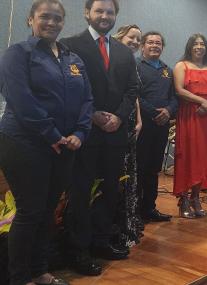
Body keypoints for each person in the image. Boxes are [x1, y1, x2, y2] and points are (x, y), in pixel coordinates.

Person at [0, 1, 93, 284]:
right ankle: (19, 278)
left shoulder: (73, 59)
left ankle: (40, 270)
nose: (51, 22)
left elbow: (87, 99)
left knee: (49, 209)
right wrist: (52, 135)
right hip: (25, 144)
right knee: (30, 211)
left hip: (65, 146)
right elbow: (21, 99)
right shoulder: (17, 54)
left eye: (57, 18)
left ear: (64, 22)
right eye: (44, 17)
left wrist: (80, 132)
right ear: (30, 20)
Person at [61, 0, 137, 274]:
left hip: (115, 133)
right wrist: (92, 114)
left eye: (110, 12)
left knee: (109, 191)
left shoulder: (123, 51)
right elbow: (66, 87)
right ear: (87, 13)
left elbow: (132, 90)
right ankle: (78, 250)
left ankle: (101, 241)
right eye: (99, 11)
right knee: (80, 193)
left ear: (116, 16)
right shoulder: (69, 44)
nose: (105, 16)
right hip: (84, 132)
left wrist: (118, 116)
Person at [173, 33, 207, 218]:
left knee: (204, 157)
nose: (199, 46)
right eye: (195, 44)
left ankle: (196, 197)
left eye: (202, 43)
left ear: (206, 47)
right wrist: (202, 102)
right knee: (189, 156)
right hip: (189, 116)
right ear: (189, 47)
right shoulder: (181, 66)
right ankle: (183, 198)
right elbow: (179, 90)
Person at [135, 32, 178, 222]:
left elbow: (175, 97)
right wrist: (154, 112)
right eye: (150, 42)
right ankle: (135, 211)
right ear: (142, 46)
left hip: (162, 126)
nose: (154, 45)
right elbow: (134, 95)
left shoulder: (168, 70)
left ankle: (149, 208)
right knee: (140, 168)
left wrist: (168, 111)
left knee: (154, 169)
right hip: (142, 125)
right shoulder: (135, 67)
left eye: (158, 43)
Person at [111, 24, 144, 247]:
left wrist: (139, 119)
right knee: (117, 174)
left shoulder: (132, 62)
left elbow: (135, 94)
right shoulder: (111, 58)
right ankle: (115, 226)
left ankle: (128, 223)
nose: (134, 42)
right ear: (120, 37)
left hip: (132, 123)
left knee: (130, 174)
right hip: (115, 123)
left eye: (137, 40)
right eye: (131, 37)